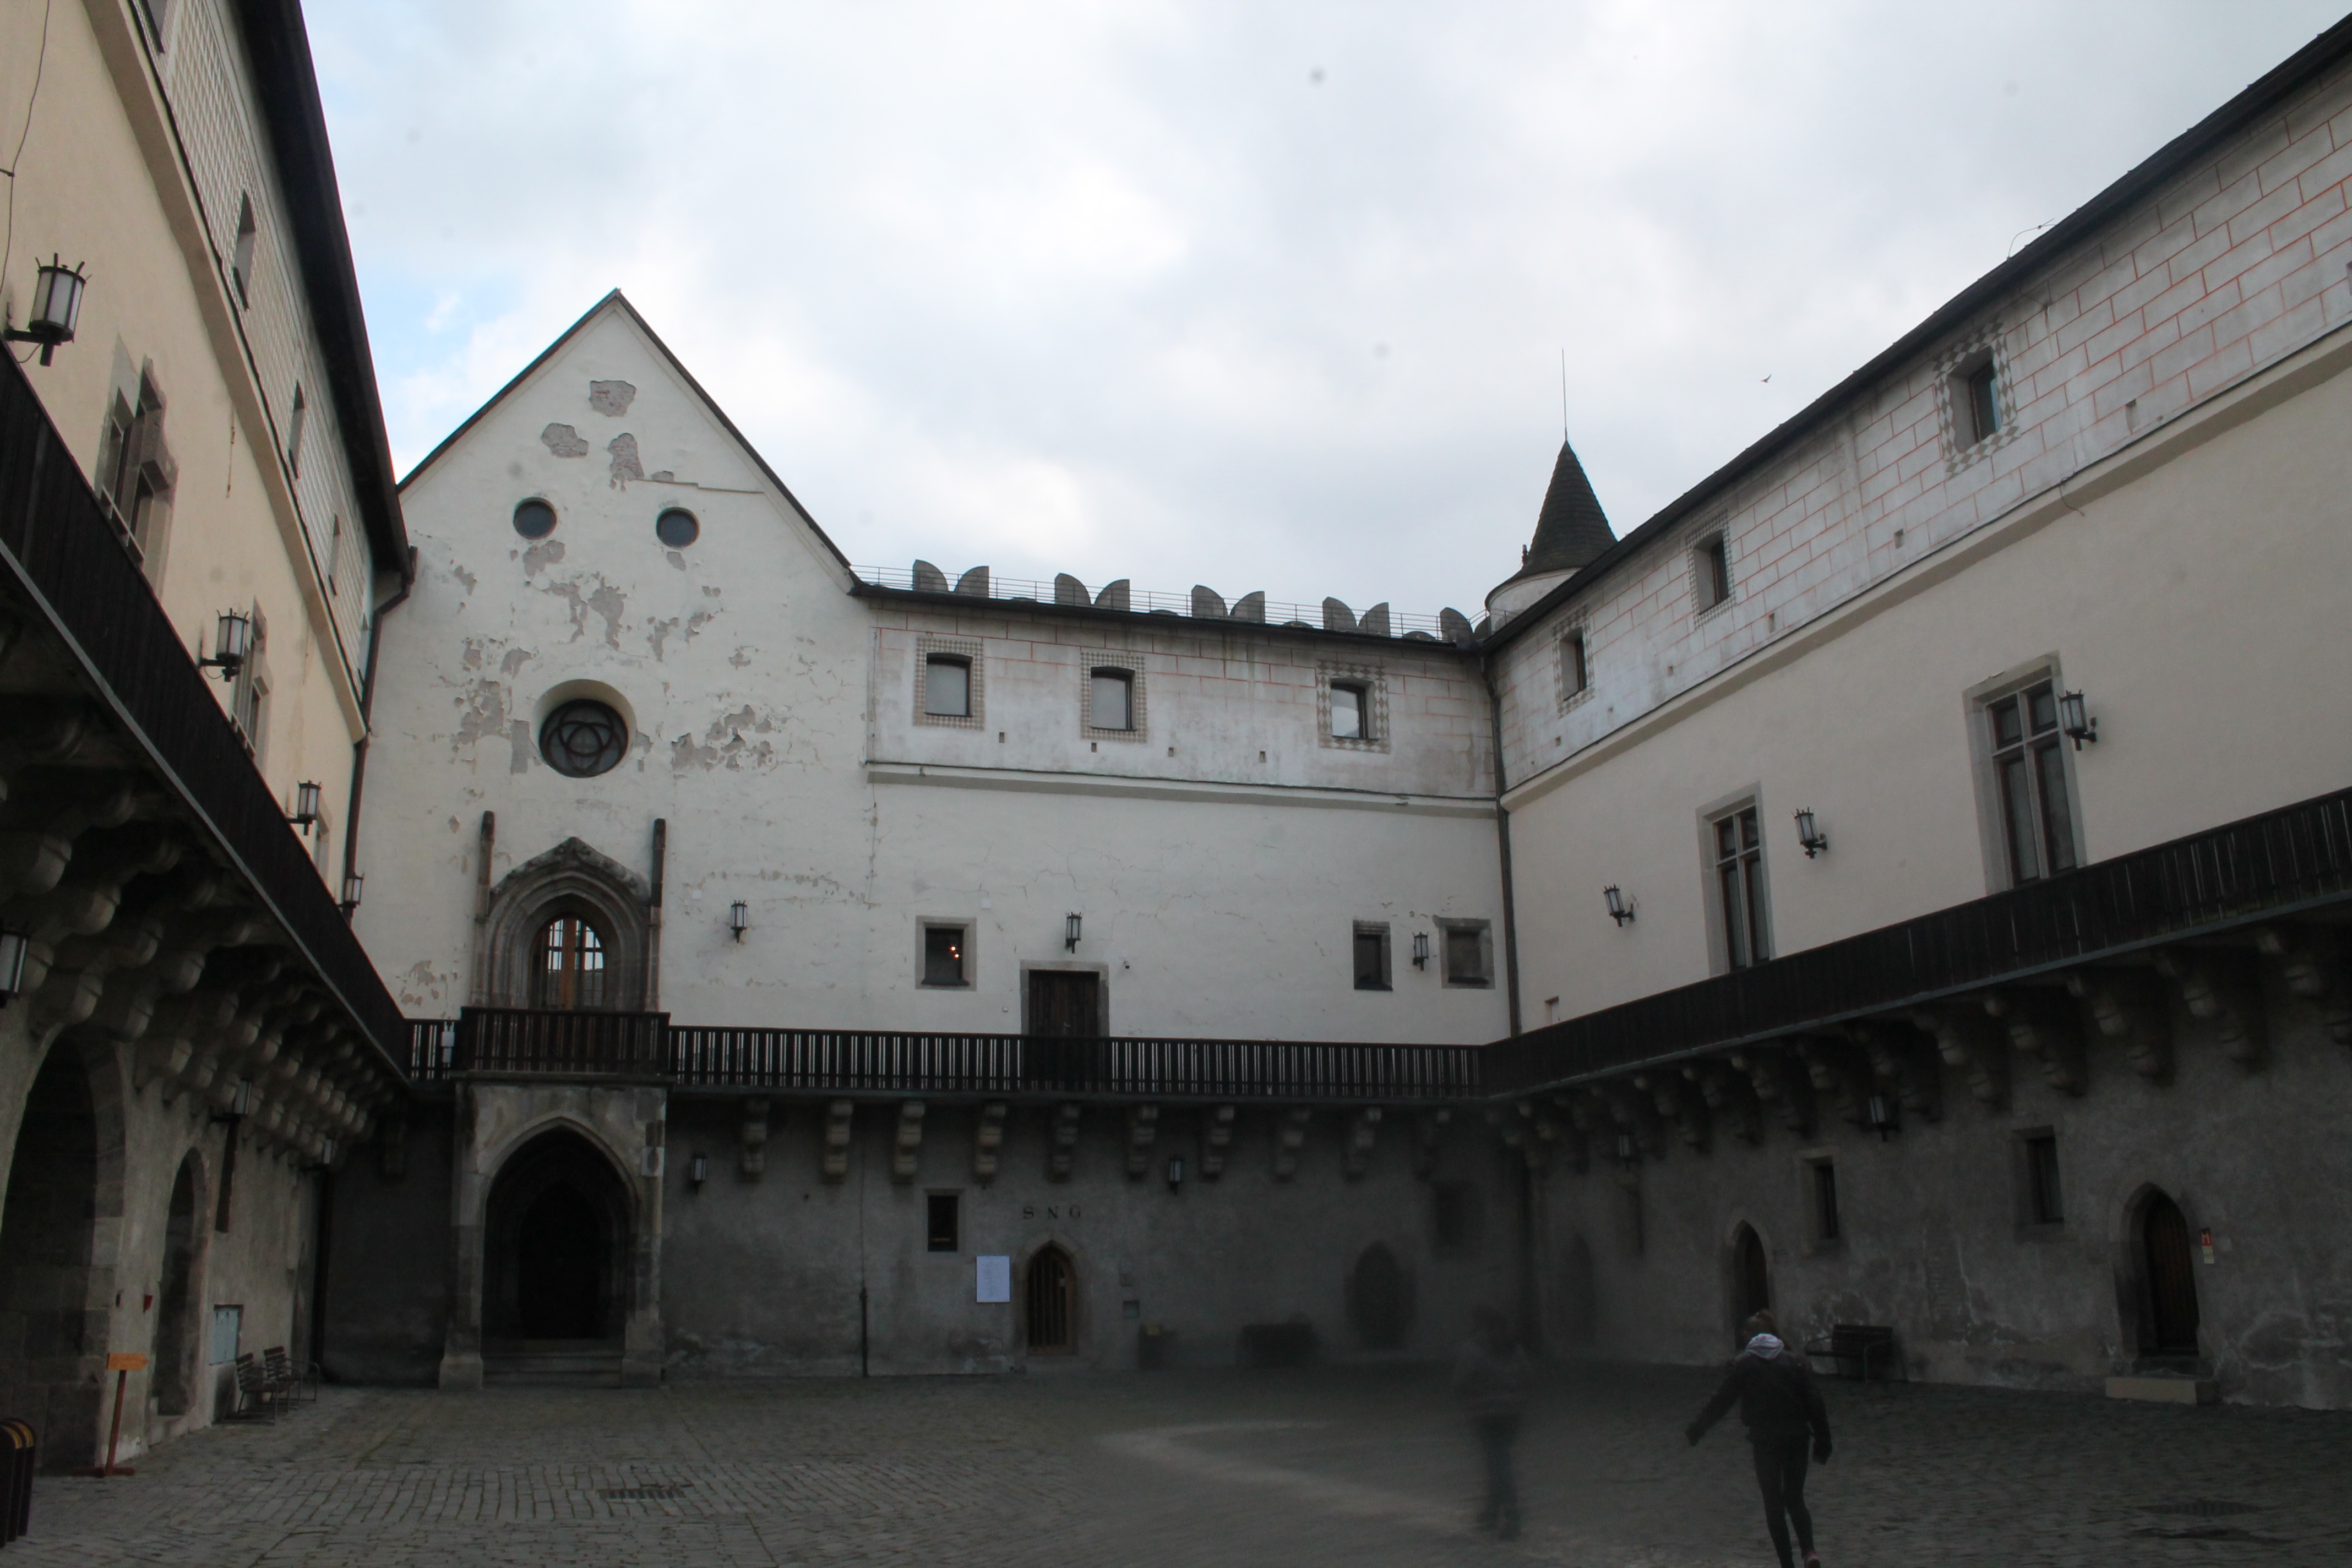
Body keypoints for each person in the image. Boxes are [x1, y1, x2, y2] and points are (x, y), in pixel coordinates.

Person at [1684, 1311, 1831, 1568]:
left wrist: (1698, 1428)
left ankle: (1787, 1564)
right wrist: (1823, 1441)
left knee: (1773, 1502)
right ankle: (1809, 1552)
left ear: (1750, 1336)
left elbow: (1721, 1400)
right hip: (1797, 1437)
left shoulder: (1744, 1365)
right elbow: (1816, 1403)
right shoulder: (1796, 1362)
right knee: (1795, 1497)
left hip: (1765, 1440)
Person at [1453, 1305, 1532, 1540]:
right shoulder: (1514, 1349)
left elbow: (1461, 1382)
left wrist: (1464, 1403)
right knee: (1500, 1462)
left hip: (1486, 1415)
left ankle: (1512, 1518)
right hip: (1512, 1414)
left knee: (1498, 1466)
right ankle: (1491, 1514)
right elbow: (1528, 1377)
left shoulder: (1472, 1349)